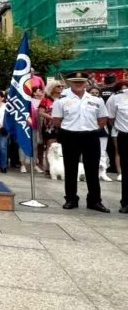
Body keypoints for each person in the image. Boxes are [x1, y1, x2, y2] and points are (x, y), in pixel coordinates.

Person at [53, 72, 109, 212]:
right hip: (70, 135)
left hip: (90, 136)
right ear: (70, 83)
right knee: (70, 169)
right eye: (75, 81)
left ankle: (94, 201)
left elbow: (102, 120)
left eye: (81, 81)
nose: (78, 84)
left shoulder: (96, 100)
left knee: (92, 169)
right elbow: (57, 121)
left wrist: (91, 129)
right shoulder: (62, 100)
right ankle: (71, 199)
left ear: (86, 83)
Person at [107, 81, 128, 212]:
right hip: (125, 136)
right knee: (127, 170)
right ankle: (126, 202)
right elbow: (111, 118)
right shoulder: (117, 97)